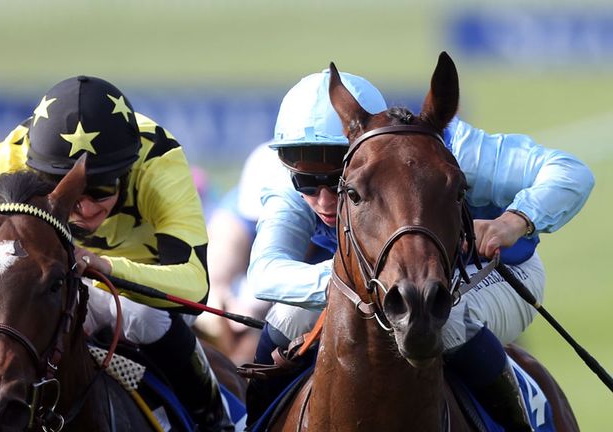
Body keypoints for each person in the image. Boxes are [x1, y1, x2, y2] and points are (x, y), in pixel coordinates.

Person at [0, 75, 234, 431]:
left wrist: (105, 267)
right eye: (64, 189)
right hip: (47, 283)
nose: (85, 208)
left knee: (146, 319)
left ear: (127, 170)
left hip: (141, 292)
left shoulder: (158, 162)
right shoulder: (13, 155)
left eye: (101, 190)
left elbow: (193, 283)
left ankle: (215, 420)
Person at [245, 68, 595, 429]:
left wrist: (513, 221)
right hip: (377, 284)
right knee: (286, 316)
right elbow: (266, 273)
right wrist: (361, 286)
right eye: (305, 179)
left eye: (337, 180)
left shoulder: (455, 149)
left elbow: (571, 172)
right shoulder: (287, 184)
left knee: (450, 320)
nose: (322, 199)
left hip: (491, 274)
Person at [195, 142, 288, 365]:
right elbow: (215, 270)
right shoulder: (237, 214)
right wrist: (218, 295)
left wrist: (255, 308)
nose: (268, 232)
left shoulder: (331, 220)